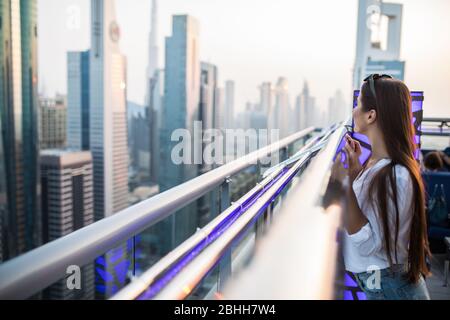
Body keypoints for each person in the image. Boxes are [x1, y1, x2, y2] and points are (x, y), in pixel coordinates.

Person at [332, 74, 431, 300]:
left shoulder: (395, 174)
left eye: (357, 105)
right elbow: (371, 209)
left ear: (371, 115)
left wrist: (345, 184)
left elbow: (368, 243)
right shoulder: (378, 165)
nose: (354, 111)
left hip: (390, 288)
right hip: (385, 283)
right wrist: (356, 173)